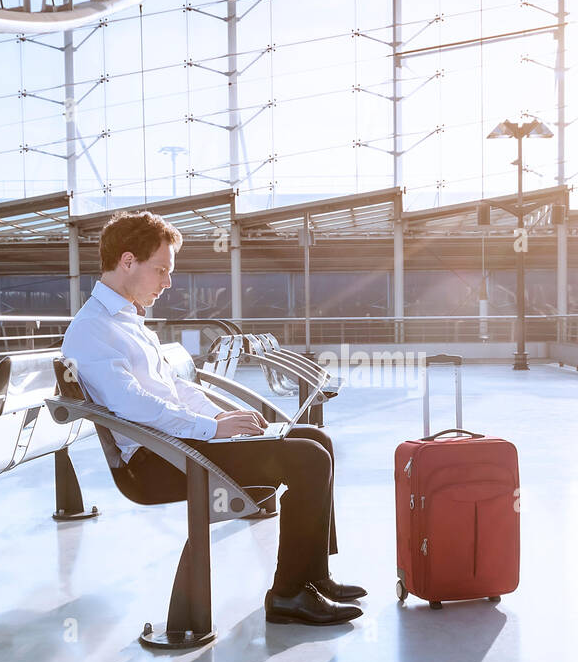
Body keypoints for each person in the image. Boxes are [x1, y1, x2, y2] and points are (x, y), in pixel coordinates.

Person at [61, 211, 364, 626]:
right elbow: (131, 405)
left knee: (315, 439)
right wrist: (211, 429)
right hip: (156, 461)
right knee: (308, 459)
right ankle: (289, 594)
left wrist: (224, 416)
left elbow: (173, 389)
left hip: (178, 443)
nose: (167, 282)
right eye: (161, 270)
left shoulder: (129, 320)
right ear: (127, 261)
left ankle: (314, 577)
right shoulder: (92, 329)